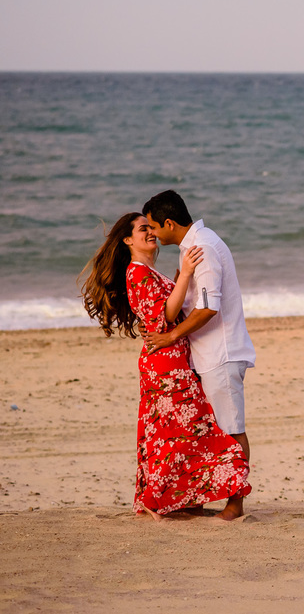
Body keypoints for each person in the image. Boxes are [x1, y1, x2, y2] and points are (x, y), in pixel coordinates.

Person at [80, 212, 251, 520]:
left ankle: (182, 501)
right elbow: (164, 318)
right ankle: (178, 501)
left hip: (171, 360)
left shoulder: (147, 271)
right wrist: (185, 274)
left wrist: (178, 280)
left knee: (176, 434)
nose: (151, 234)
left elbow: (168, 310)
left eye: (151, 227)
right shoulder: (138, 273)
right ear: (128, 240)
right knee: (185, 433)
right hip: (166, 365)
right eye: (143, 229)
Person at [140, 190, 255, 520]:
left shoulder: (202, 246)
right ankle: (200, 498)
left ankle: (235, 504)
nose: (153, 234)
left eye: (154, 228)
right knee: (206, 430)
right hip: (206, 354)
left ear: (169, 223)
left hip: (222, 353)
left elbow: (208, 307)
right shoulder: (193, 245)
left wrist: (169, 336)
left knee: (231, 429)